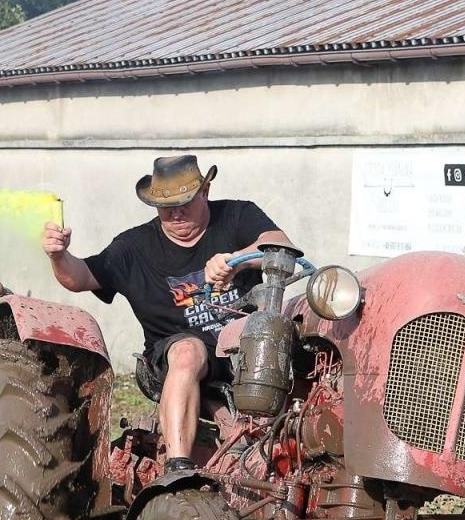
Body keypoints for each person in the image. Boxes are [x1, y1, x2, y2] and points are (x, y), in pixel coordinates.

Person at [42, 154, 292, 472]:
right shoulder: (134, 247)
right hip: (176, 356)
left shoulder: (236, 215)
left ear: (205, 192)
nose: (175, 213)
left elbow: (281, 246)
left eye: (185, 202)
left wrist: (238, 259)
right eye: (166, 205)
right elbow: (80, 277)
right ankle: (179, 469)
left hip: (245, 350)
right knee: (190, 352)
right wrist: (59, 255)